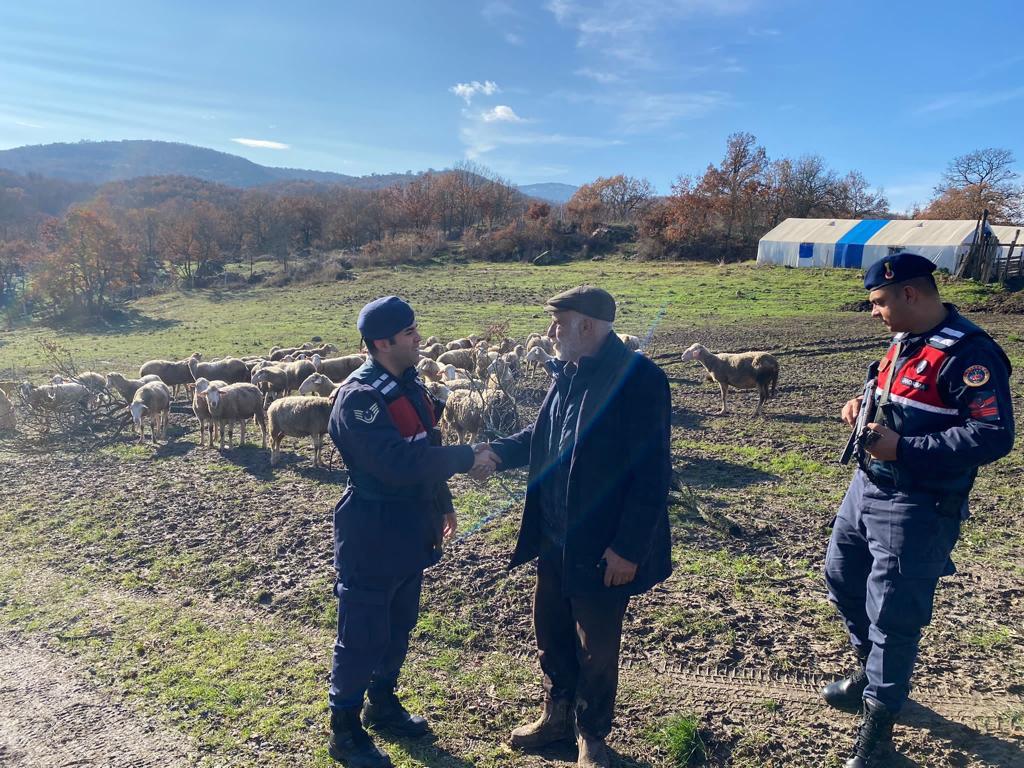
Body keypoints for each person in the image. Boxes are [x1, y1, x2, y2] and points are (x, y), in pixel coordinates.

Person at [823, 253, 1015, 767]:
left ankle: (878, 737)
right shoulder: (906, 340)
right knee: (841, 578)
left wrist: (905, 449)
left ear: (911, 294)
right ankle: (873, 673)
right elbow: (890, 390)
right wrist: (859, 405)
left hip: (918, 501)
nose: (874, 313)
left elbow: (993, 434)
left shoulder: (969, 354)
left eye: (880, 302)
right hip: (866, 486)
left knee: (893, 614)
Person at [480, 285, 673, 768]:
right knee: (551, 629)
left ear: (586, 326)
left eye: (559, 323)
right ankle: (556, 717)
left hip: (602, 542)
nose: (552, 333)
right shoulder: (567, 373)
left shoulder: (639, 380)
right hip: (555, 534)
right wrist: (496, 452)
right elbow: (544, 434)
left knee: (597, 643)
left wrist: (628, 548)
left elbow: (653, 474)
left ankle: (592, 736)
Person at [325, 295, 499, 768]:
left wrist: (442, 501)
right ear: (382, 342)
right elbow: (396, 463)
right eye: (409, 333)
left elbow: (426, 443)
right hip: (373, 528)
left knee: (399, 623)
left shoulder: (409, 385)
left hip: (411, 524)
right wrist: (468, 458)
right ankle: (344, 729)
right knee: (362, 631)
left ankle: (383, 703)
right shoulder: (360, 397)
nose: (419, 338)